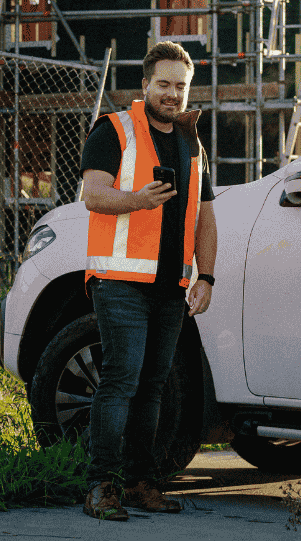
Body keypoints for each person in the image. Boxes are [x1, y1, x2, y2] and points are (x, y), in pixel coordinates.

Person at [80, 40, 217, 522]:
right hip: (119, 282)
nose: (173, 94)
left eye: (181, 86)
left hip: (171, 287)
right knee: (120, 381)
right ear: (145, 85)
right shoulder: (114, 129)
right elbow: (93, 195)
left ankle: (139, 484)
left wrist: (208, 277)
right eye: (164, 84)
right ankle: (101, 486)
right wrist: (138, 200)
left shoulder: (192, 140)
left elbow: (205, 217)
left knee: (153, 386)